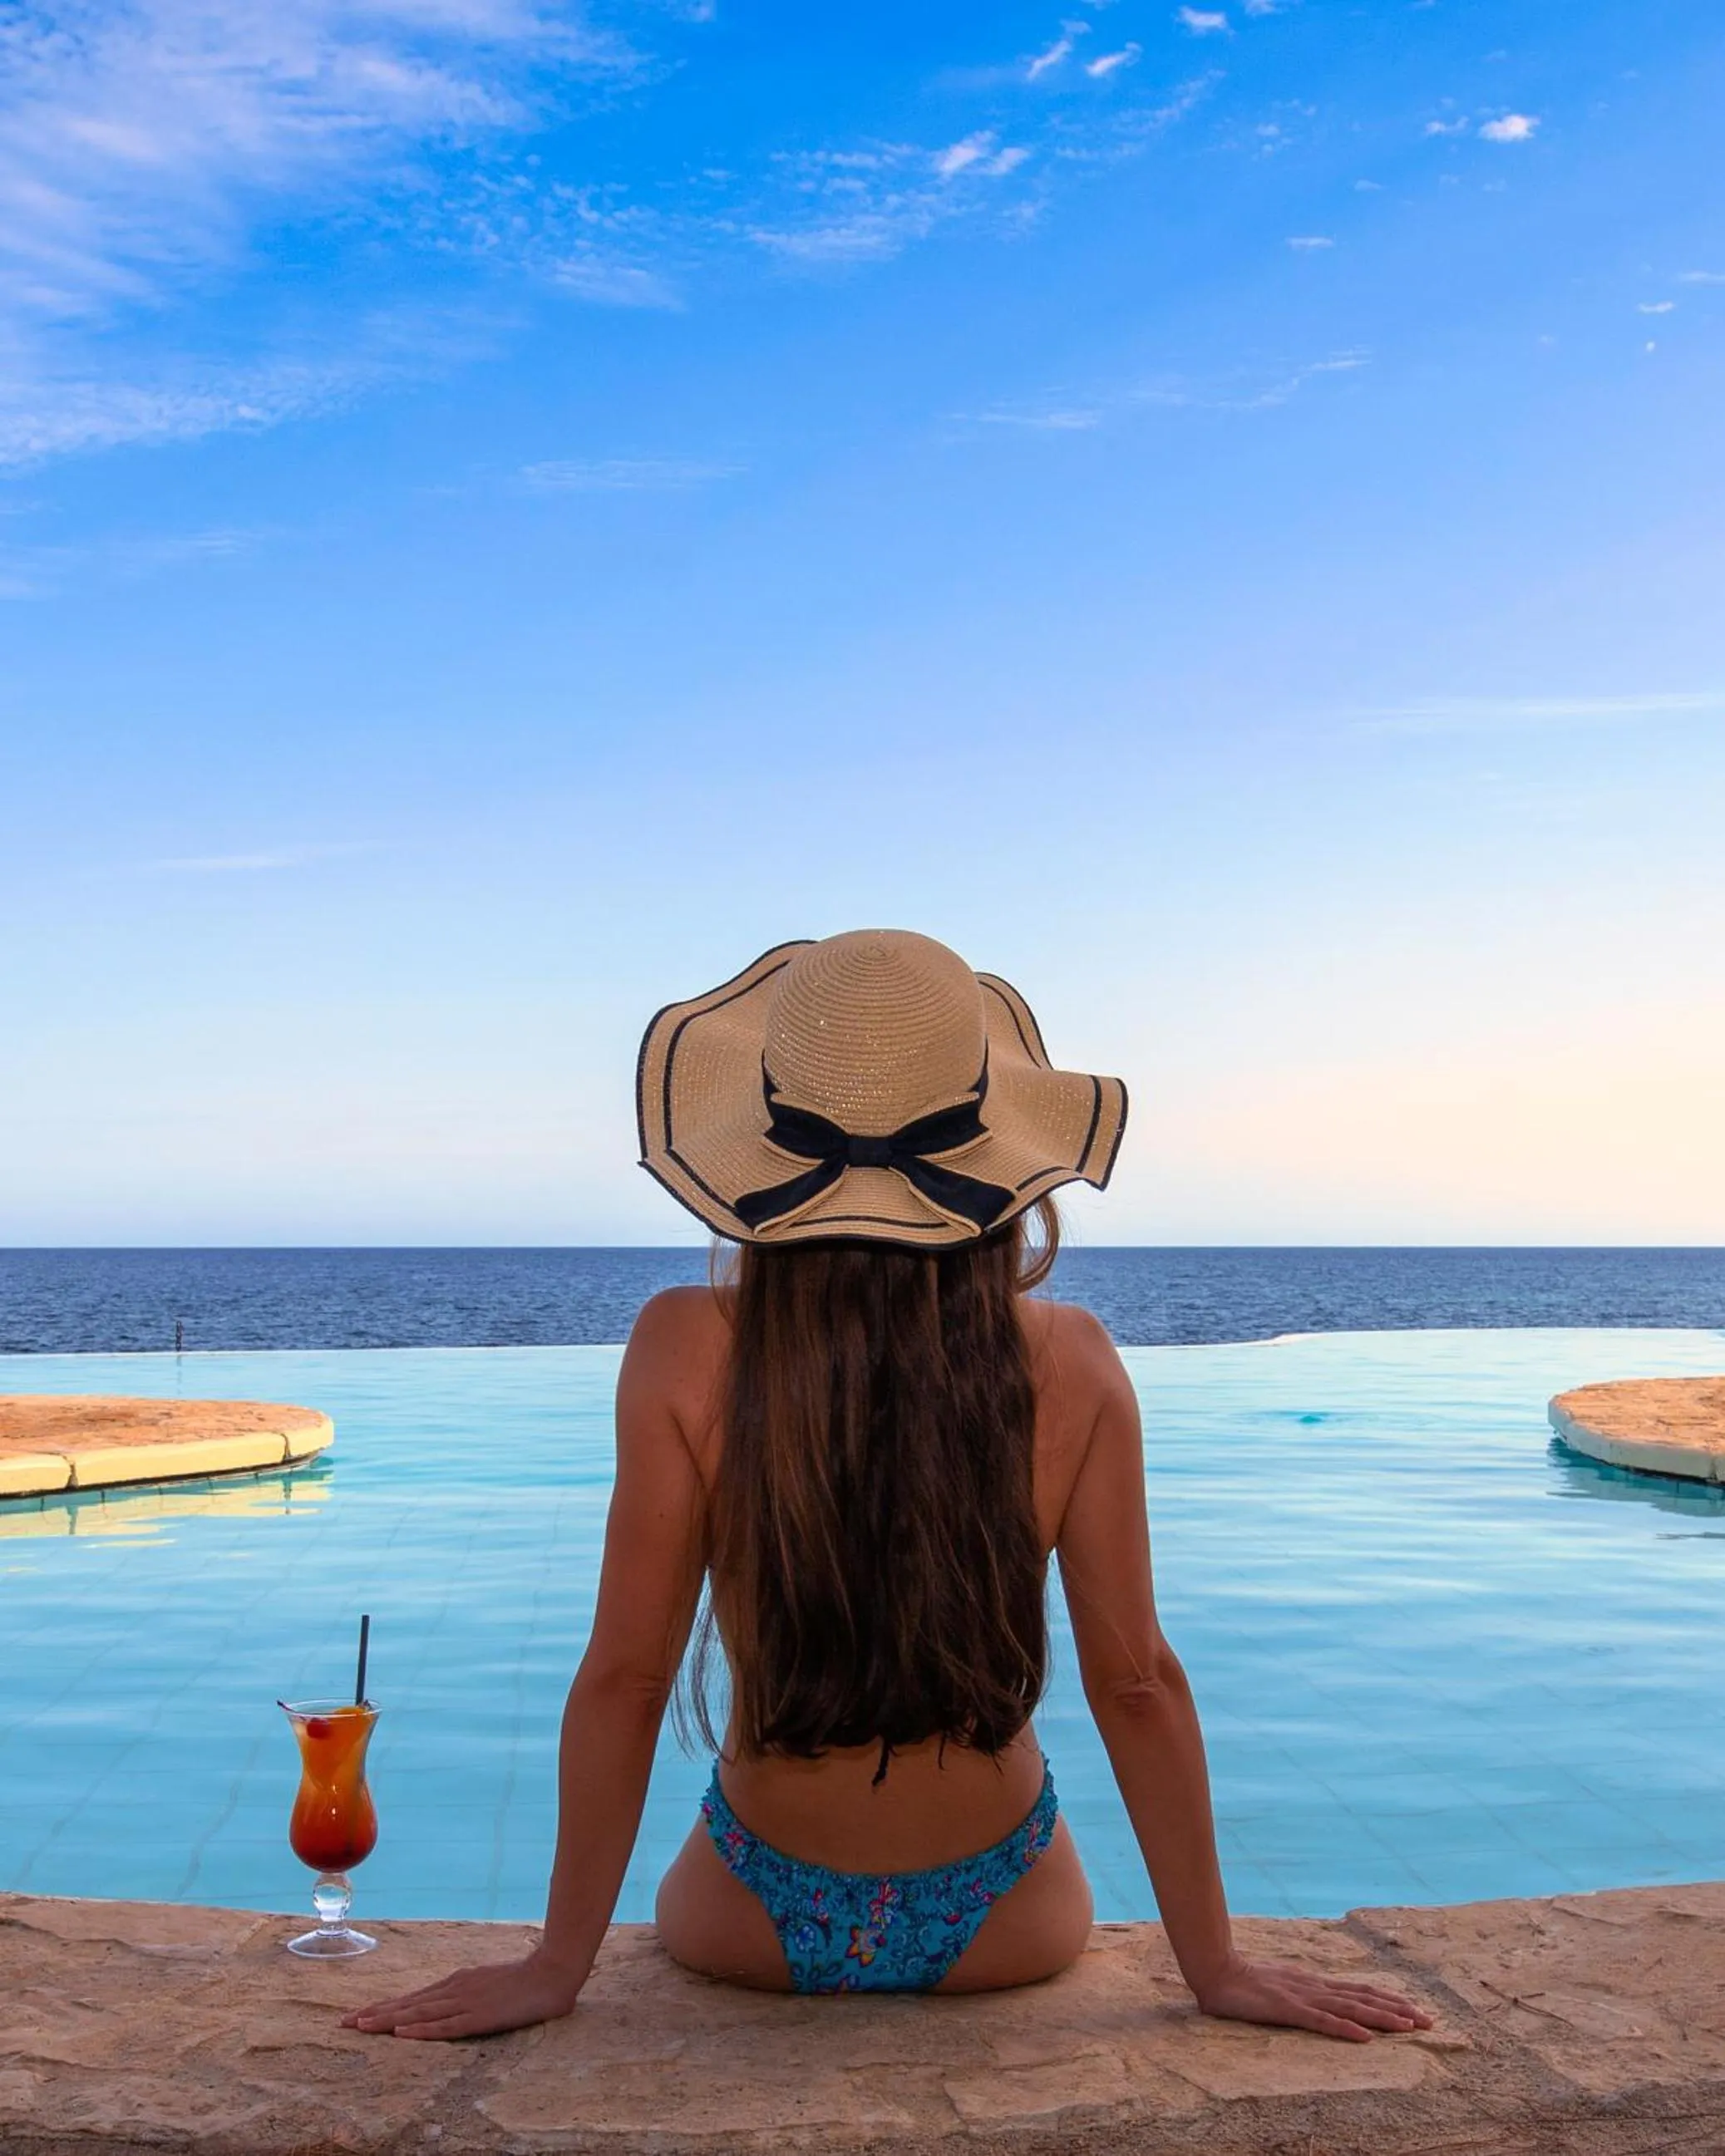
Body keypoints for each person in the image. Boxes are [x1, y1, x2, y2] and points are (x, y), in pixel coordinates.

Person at [347, 931, 1430, 2041]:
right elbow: (1138, 1683)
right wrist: (1217, 1965)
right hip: (1010, 1914)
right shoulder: (1076, 1360)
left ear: (758, 1151)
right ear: (995, 1148)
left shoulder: (680, 1346)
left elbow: (627, 1679)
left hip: (746, 1918)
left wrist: (553, 1964)